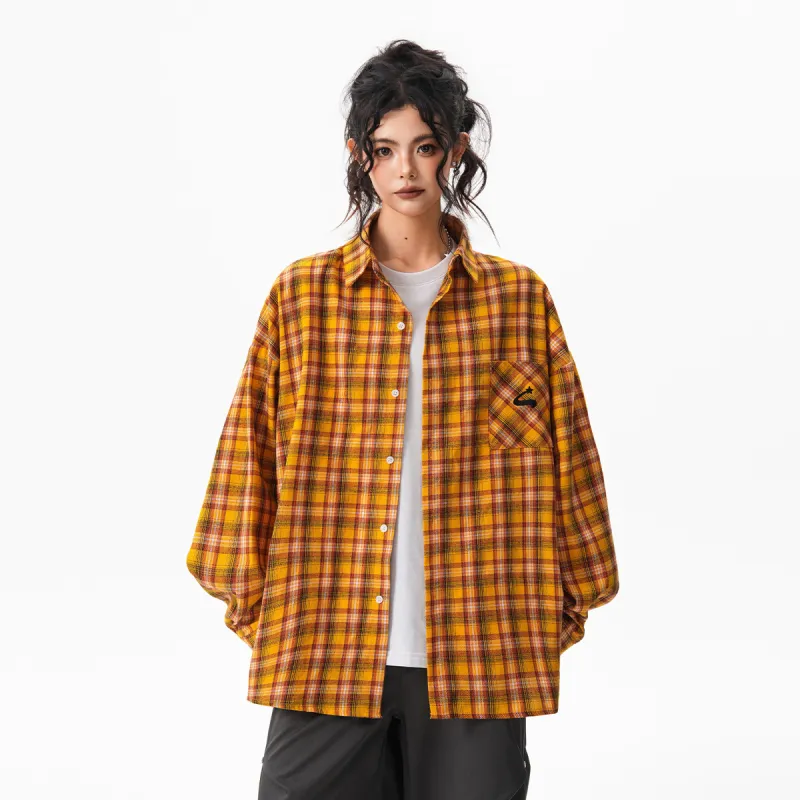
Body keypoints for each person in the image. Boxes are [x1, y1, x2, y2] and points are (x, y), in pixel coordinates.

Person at [186, 38, 619, 800]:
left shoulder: (519, 302)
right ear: (360, 156)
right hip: (325, 649)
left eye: (424, 146)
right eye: (385, 149)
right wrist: (279, 619)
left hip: (481, 657)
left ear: (455, 150)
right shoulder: (302, 299)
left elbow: (574, 474)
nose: (406, 170)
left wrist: (537, 622)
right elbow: (243, 470)